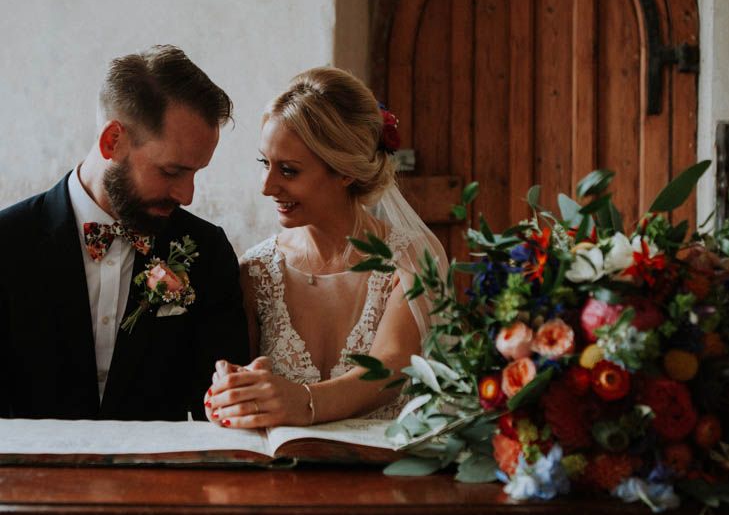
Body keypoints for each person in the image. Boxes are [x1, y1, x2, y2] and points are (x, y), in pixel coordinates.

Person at [0, 45, 249, 420]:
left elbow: (218, 408)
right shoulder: (8, 243)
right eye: (171, 171)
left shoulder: (207, 252)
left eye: (196, 173)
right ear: (112, 141)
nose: (187, 195)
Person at [205, 67, 447, 428]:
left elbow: (390, 370)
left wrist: (303, 402)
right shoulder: (256, 270)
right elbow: (247, 375)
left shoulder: (411, 258)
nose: (267, 187)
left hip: (385, 473)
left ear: (345, 170)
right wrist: (235, 388)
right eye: (264, 163)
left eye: (288, 170)